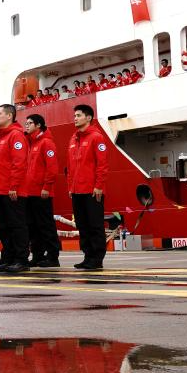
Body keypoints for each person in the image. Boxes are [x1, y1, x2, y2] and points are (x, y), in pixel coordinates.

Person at [0, 103, 30, 273]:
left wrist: (13, 185)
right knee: (4, 226)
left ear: (9, 116)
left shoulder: (15, 136)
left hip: (12, 190)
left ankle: (21, 259)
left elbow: (19, 163)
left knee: (16, 225)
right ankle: (9, 257)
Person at [68, 104, 109, 271]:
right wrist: (71, 187)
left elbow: (103, 164)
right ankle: (87, 256)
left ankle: (97, 258)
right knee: (82, 225)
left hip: (92, 190)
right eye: (75, 115)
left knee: (95, 225)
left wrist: (99, 186)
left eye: (78, 115)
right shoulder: (74, 138)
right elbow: (70, 167)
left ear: (88, 118)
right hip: (77, 190)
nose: (75, 118)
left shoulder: (96, 138)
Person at [23, 114, 60, 268]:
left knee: (46, 225)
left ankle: (53, 256)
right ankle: (37, 255)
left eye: (29, 123)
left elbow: (52, 169)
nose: (26, 125)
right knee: (33, 226)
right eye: (26, 123)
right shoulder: (31, 143)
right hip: (29, 192)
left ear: (38, 125)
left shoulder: (46, 143)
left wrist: (46, 187)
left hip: (41, 192)